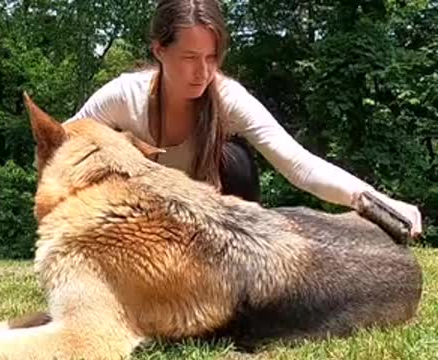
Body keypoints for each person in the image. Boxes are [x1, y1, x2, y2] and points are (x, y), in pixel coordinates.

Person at [63, 0, 422, 237]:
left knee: (237, 162)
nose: (202, 72)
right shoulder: (124, 97)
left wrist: (374, 201)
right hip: (134, 218)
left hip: (204, 223)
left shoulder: (228, 98)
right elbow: (59, 147)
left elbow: (300, 164)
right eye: (189, 57)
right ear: (159, 49)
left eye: (212, 57)